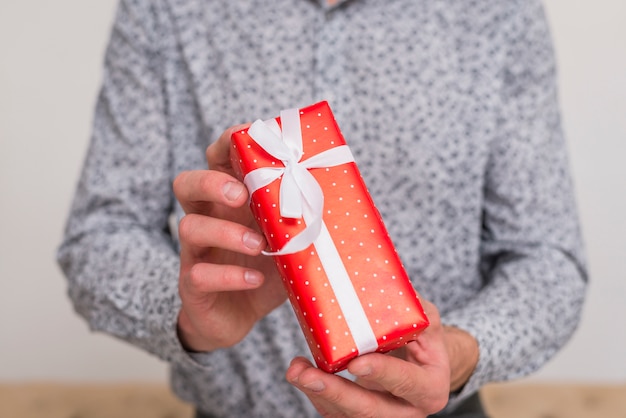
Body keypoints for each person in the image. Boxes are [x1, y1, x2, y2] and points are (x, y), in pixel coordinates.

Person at [57, 0, 587, 416]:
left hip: (440, 411)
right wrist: (187, 314)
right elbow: (99, 235)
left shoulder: (500, 11)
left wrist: (458, 353)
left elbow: (547, 259)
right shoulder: (166, 7)